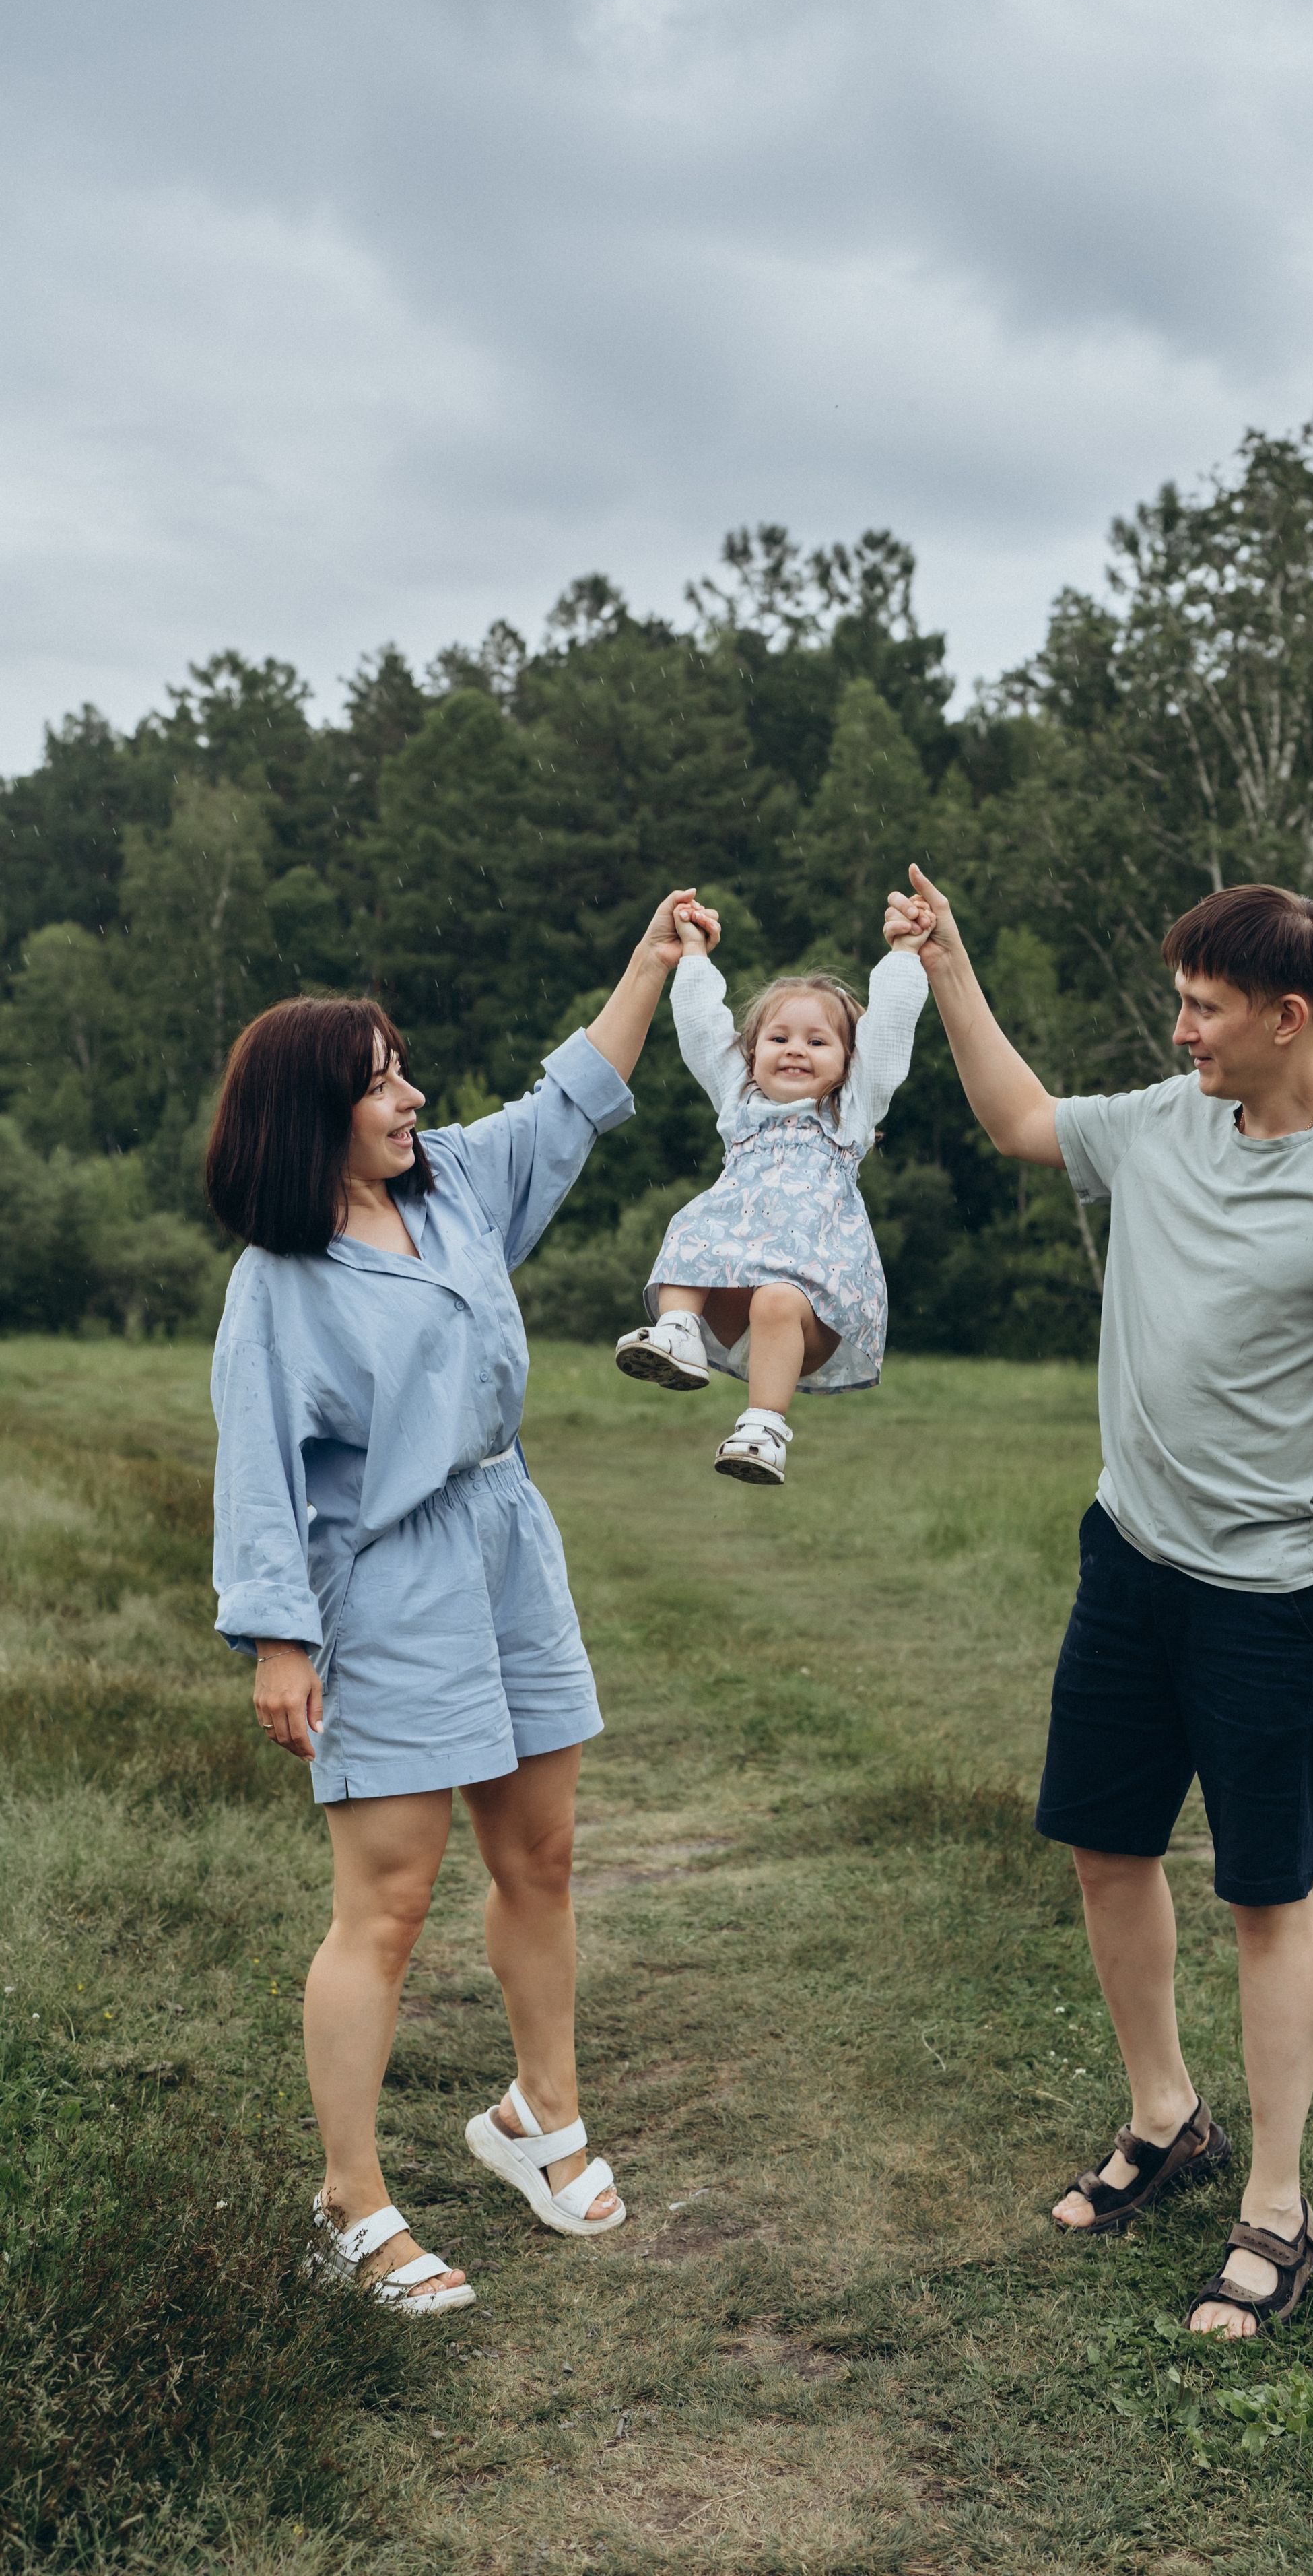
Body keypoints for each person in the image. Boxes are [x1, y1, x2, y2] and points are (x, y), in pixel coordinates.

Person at [886, 866, 1313, 2338]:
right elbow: (1022, 1122)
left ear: (1287, 1017)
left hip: (1272, 1598)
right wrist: (948, 959)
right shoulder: (1159, 1125)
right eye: (1176, 1003)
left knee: (1265, 1895)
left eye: (1202, 1011)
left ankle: (1275, 2205)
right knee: (1103, 1846)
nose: (1179, 1032)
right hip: (1127, 1559)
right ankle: (1166, 2116)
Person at [204, 890, 698, 2313]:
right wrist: (279, 1639)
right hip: (388, 1573)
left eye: (402, 1072)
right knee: (389, 1902)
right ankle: (347, 2203)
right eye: (379, 1085)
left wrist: (649, 964)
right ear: (314, 1116)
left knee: (540, 1856)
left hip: (507, 1543)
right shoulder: (279, 1282)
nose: (410, 1097)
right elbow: (258, 1467)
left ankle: (541, 2118)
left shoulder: (455, 1183)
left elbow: (571, 1099)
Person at [613, 896, 930, 1484]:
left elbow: (889, 1031)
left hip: (812, 1306)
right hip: (730, 1290)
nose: (795, 1050)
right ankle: (678, 1332)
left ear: (849, 1061)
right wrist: (694, 956)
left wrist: (904, 956)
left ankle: (763, 1428)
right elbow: (702, 1028)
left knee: (778, 1298)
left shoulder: (851, 1108)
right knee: (694, 1224)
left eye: (817, 1042)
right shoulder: (739, 1101)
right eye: (779, 1037)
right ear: (750, 1053)